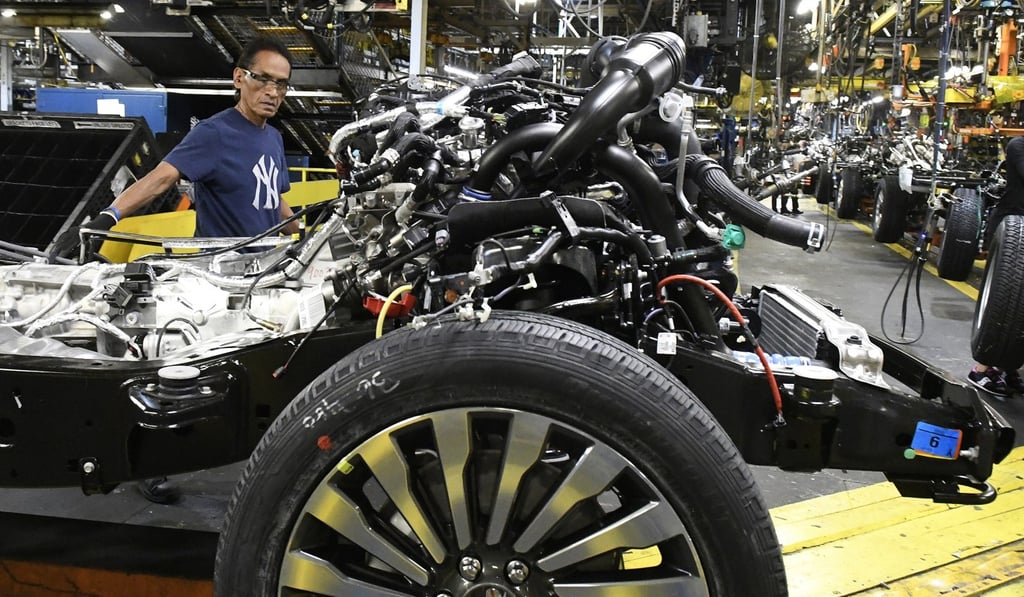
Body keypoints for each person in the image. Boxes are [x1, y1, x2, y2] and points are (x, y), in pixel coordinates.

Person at [53, 36, 302, 503]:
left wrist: (299, 235)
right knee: (180, 373)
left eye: (282, 85)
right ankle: (146, 463)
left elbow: (275, 197)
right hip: (220, 274)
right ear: (239, 78)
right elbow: (162, 177)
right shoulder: (214, 133)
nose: (273, 92)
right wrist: (110, 215)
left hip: (265, 272)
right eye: (264, 79)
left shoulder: (272, 137)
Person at [967, 135, 1024, 401]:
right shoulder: (1018, 145)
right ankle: (981, 369)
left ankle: (1009, 368)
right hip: (1012, 234)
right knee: (1004, 303)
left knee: (1020, 309)